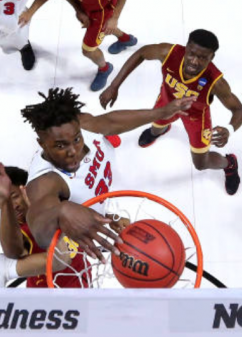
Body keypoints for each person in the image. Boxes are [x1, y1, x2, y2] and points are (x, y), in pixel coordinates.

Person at [20, 87, 195, 261]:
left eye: (76, 139)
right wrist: (61, 210)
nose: (73, 151)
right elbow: (40, 234)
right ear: (41, 144)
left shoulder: (83, 124)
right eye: (60, 146)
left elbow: (110, 122)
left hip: (100, 204)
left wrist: (160, 113)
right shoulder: (45, 182)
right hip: (83, 233)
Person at [99, 29, 242, 196]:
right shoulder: (168, 53)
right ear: (186, 48)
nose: (194, 61)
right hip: (167, 102)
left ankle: (230, 164)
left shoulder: (217, 82)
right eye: (191, 54)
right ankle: (161, 130)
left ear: (211, 58)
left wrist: (230, 129)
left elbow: (239, 110)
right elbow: (141, 53)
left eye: (202, 58)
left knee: (200, 163)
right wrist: (114, 85)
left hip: (196, 115)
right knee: (155, 128)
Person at [0, 159, 113, 288]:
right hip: (48, 297)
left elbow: (84, 210)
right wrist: (5, 201)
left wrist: (114, 218)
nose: (13, 206)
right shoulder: (21, 230)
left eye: (14, 197)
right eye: (6, 206)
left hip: (82, 283)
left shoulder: (57, 205)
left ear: (26, 189)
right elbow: (13, 251)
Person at [25, 0, 137, 91]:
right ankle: (125, 39)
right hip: (87, 6)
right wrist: (78, 9)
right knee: (103, 30)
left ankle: (105, 68)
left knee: (88, 50)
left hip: (103, 10)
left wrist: (114, 18)